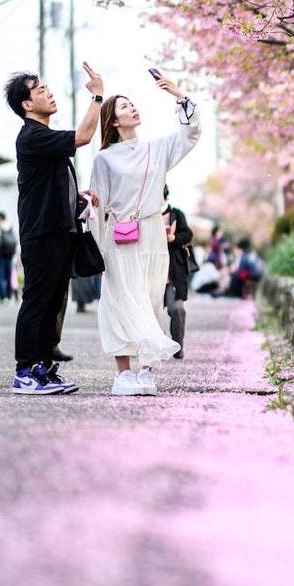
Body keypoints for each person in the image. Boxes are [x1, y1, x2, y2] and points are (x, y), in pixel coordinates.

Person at [90, 72, 200, 396]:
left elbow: (191, 134)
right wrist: (96, 252)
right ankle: (123, 374)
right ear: (113, 121)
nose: (133, 109)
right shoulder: (104, 159)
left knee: (151, 300)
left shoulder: (158, 149)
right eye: (125, 106)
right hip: (118, 237)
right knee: (118, 301)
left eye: (133, 104)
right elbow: (98, 207)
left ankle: (147, 371)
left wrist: (179, 95)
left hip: (152, 235)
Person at [4, 63, 104, 395]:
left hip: (59, 232)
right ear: (27, 105)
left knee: (51, 303)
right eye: (40, 90)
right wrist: (98, 97)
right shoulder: (33, 135)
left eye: (47, 87)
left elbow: (51, 182)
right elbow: (84, 137)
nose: (48, 91)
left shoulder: (43, 139)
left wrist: (77, 197)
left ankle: (43, 368)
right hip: (41, 234)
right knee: (37, 300)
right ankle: (25, 371)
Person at [163, 184, 195, 359]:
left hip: (173, 274)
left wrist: (173, 238)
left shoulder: (176, 214)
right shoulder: (144, 216)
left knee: (177, 309)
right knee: (148, 313)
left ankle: (177, 345)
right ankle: (153, 347)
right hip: (150, 274)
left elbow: (188, 235)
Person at [0, 212, 18, 303]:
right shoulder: (11, 227)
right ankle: (9, 295)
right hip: (10, 254)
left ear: (0, 218)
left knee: (0, 275)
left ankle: (3, 296)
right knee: (9, 275)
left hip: (1, 254)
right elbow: (15, 240)